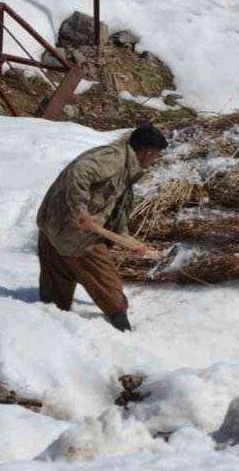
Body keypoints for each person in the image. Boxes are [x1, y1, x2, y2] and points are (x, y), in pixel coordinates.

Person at [36, 124, 168, 331]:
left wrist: (129, 243)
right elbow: (80, 171)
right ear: (147, 153)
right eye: (156, 156)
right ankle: (121, 330)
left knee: (55, 289)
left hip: (55, 224)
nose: (154, 161)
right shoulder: (114, 159)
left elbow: (115, 215)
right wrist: (80, 210)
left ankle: (48, 323)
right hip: (76, 232)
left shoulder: (125, 168)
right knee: (109, 286)